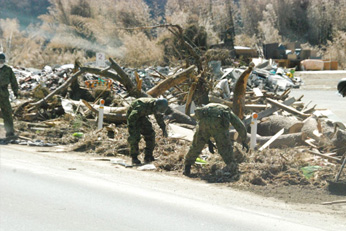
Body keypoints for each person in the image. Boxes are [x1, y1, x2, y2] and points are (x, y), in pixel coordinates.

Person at [183, 103, 248, 176]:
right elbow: (239, 125)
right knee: (225, 147)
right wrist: (244, 140)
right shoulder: (227, 110)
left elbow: (206, 124)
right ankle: (232, 167)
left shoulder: (208, 107)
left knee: (196, 145)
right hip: (218, 125)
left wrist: (208, 141)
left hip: (203, 123)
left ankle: (187, 167)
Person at [127, 97, 168, 165]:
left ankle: (148, 156)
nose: (158, 112)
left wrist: (163, 128)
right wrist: (132, 129)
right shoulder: (142, 106)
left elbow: (159, 117)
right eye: (157, 110)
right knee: (135, 137)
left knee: (150, 134)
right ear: (155, 105)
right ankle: (134, 157)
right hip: (133, 117)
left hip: (142, 116)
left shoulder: (158, 107)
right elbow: (131, 117)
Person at [0, 53, 19, 138]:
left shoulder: (8, 69)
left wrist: (16, 91)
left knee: (7, 113)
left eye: (2, 61)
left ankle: (10, 132)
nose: (1, 62)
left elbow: (13, 81)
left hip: (4, 94)